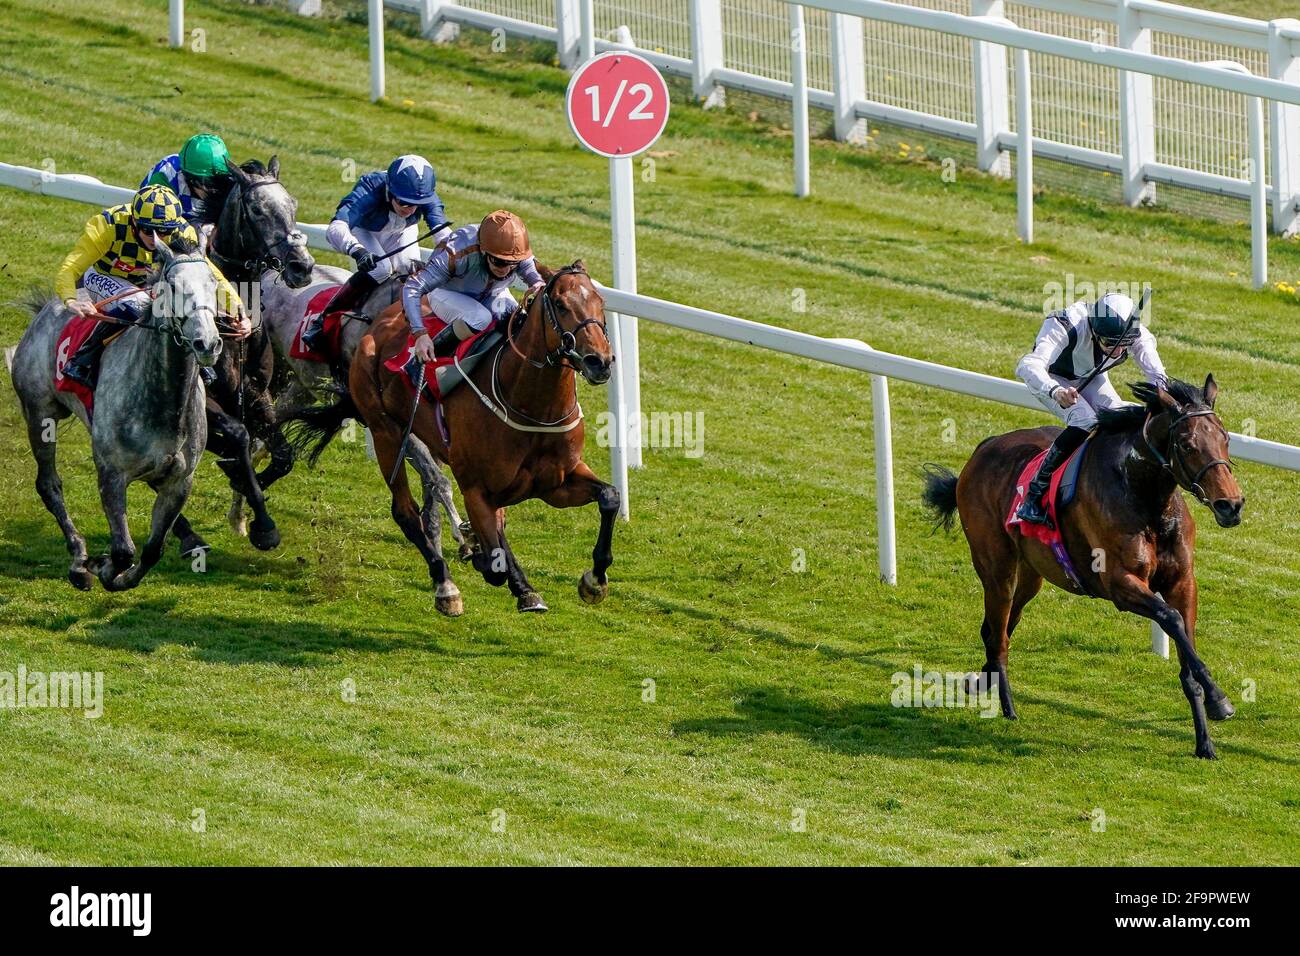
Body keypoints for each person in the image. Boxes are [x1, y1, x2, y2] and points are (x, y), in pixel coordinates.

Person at [55, 184, 244, 389]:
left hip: (147, 282)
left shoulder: (183, 232)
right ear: (134, 221)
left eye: (165, 232)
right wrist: (71, 300)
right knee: (141, 304)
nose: (157, 238)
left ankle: (194, 355)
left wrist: (237, 307)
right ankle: (84, 358)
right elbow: (70, 268)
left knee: (180, 306)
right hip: (103, 275)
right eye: (148, 230)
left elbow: (208, 274)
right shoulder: (107, 226)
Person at [1014, 290, 1168, 525]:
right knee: (1084, 419)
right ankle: (1035, 492)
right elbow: (1028, 365)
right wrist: (1056, 391)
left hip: (1091, 375)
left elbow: (1155, 372)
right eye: (1110, 344)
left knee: (1123, 414)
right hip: (1054, 379)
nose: (1117, 352)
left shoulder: (1133, 331)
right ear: (1095, 330)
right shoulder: (1066, 324)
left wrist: (1164, 394)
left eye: (1123, 346)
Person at [300, 154, 451, 354]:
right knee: (381, 269)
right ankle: (323, 321)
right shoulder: (370, 188)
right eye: (404, 202)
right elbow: (336, 227)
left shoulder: (424, 196)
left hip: (402, 231)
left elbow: (443, 234)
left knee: (410, 272)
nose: (410, 208)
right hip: (364, 230)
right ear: (390, 188)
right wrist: (357, 250)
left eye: (416, 204)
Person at [402, 209, 545, 363]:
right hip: (445, 292)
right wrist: (420, 334)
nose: (506, 269)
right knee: (480, 318)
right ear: (483, 250)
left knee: (519, 321)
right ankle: (421, 361)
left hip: (492, 293)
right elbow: (412, 287)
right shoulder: (458, 252)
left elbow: (532, 273)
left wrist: (537, 283)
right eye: (499, 262)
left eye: (513, 263)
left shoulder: (515, 250)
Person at [140, 133, 236, 250]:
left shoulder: (230, 181)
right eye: (210, 182)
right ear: (190, 178)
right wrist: (199, 233)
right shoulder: (166, 177)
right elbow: (158, 227)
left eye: (220, 180)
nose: (215, 189)